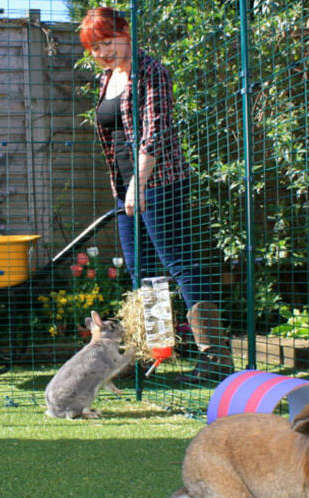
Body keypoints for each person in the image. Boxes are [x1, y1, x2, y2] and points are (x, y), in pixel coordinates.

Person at [78, 7, 231, 382]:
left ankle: (215, 357)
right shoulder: (106, 78)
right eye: (94, 47)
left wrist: (139, 183)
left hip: (159, 182)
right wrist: (126, 187)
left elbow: (156, 130)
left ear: (126, 32)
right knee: (142, 273)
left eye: (108, 42)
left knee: (180, 263)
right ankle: (156, 352)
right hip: (125, 188)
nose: (102, 52)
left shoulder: (152, 72)